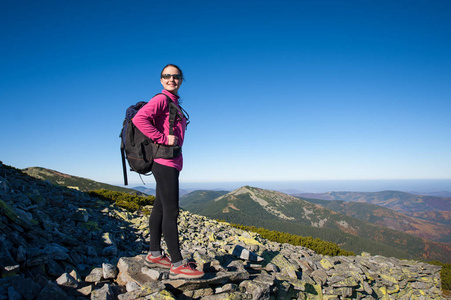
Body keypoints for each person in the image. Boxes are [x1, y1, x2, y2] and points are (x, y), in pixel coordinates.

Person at [132, 64, 204, 279]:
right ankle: (177, 264)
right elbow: (139, 119)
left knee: (160, 208)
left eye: (176, 76)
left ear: (181, 80)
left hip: (170, 160)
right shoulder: (162, 100)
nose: (171, 79)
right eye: (167, 76)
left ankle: (154, 254)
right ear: (161, 79)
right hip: (164, 161)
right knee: (171, 212)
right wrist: (162, 138)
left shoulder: (173, 102)